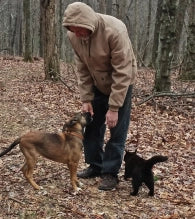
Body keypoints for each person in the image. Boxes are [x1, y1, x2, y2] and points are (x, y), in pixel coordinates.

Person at [63, 2, 137, 191]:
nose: (77, 34)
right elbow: (82, 68)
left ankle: (110, 173)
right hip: (97, 82)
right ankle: (95, 165)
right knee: (93, 125)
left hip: (121, 82)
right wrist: (86, 99)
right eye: (73, 30)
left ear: (88, 23)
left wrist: (113, 108)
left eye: (80, 30)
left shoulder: (115, 30)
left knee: (116, 129)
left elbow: (123, 71)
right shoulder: (73, 36)